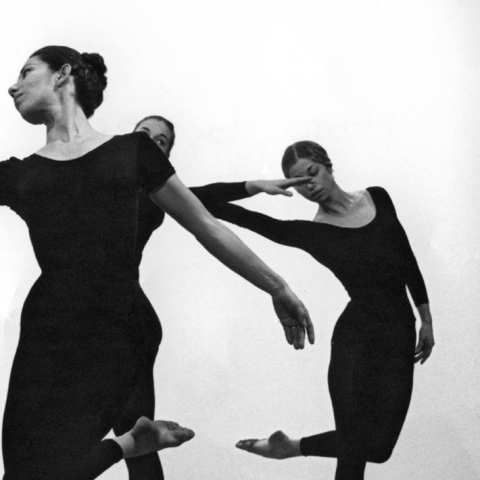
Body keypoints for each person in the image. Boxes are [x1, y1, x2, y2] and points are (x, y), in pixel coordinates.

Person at [1, 46, 314, 480]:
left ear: (62, 75)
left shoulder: (133, 155)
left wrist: (277, 286)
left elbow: (207, 225)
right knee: (20, 472)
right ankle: (131, 443)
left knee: (51, 466)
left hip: (114, 328)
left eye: (26, 71)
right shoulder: (17, 175)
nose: (13, 85)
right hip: (45, 332)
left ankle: (133, 443)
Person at [189, 140, 434, 480]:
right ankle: (289, 448)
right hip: (355, 341)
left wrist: (425, 317)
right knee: (352, 454)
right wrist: (257, 186)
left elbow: (405, 256)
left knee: (378, 448)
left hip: (400, 335)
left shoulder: (378, 196)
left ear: (328, 166)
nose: (309, 185)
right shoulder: (312, 233)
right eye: (297, 181)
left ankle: (289, 447)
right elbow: (196, 199)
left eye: (312, 173)